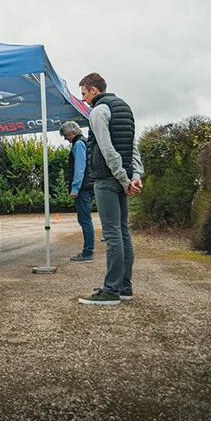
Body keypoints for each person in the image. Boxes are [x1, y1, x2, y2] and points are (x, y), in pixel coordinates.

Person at [77, 73, 144, 306]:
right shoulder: (124, 108)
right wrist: (135, 176)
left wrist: (124, 178)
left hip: (107, 179)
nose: (83, 99)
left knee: (113, 234)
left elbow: (106, 149)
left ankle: (111, 291)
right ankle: (125, 287)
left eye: (84, 93)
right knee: (123, 232)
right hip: (122, 177)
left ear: (94, 90)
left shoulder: (98, 111)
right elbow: (132, 147)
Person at [59, 121, 95, 262]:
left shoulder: (79, 144)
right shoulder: (84, 142)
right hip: (88, 186)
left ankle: (88, 253)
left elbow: (80, 168)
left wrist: (75, 188)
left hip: (83, 189)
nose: (65, 138)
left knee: (85, 220)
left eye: (65, 135)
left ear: (71, 133)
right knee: (86, 220)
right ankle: (88, 251)